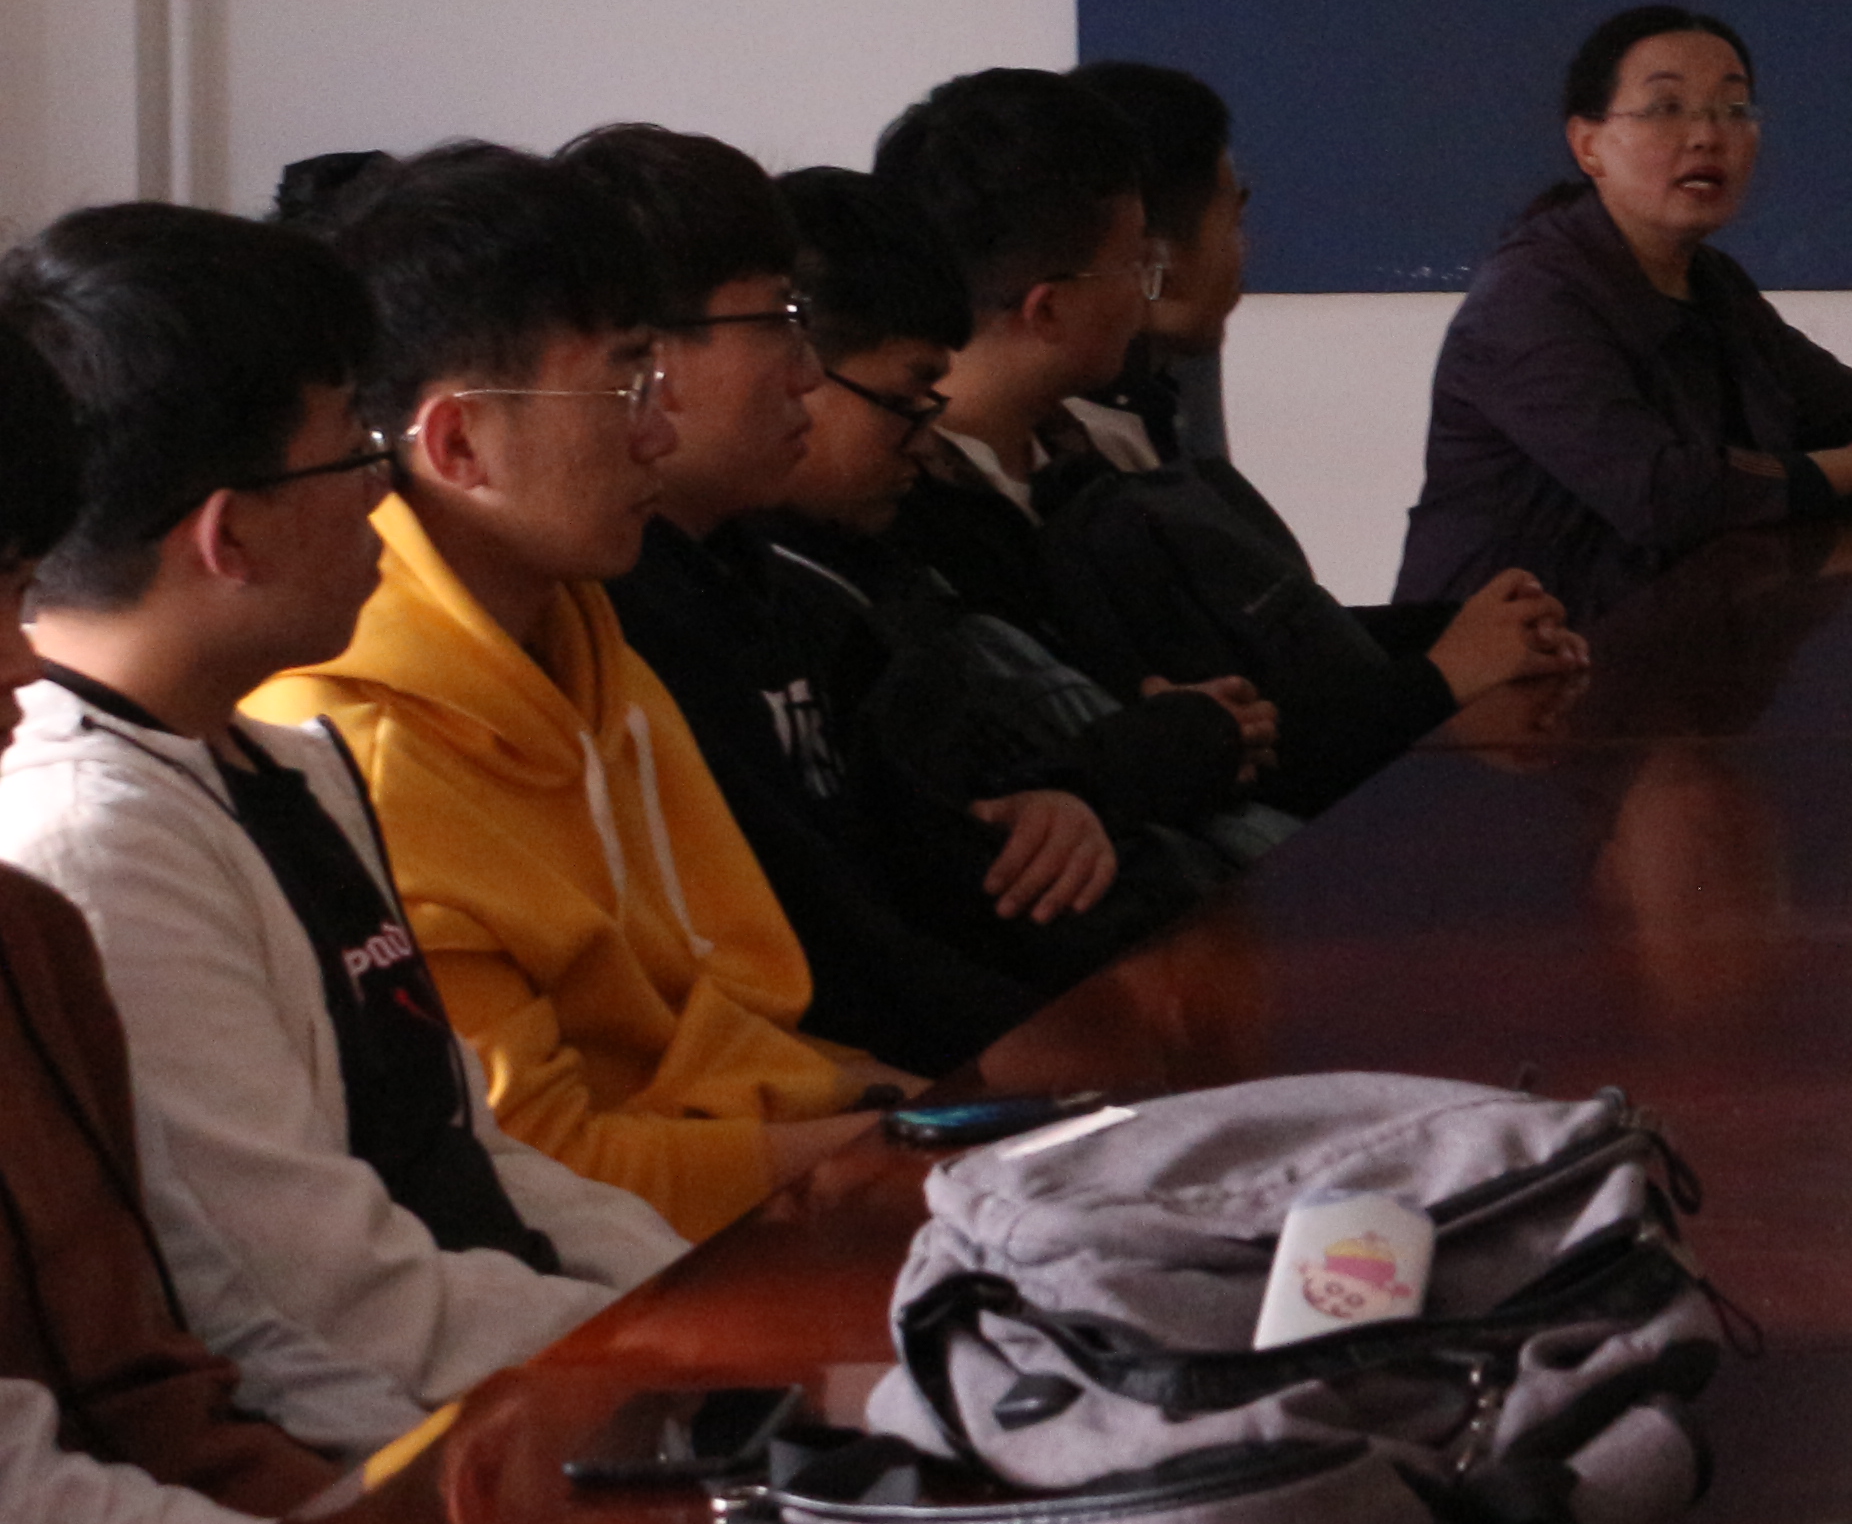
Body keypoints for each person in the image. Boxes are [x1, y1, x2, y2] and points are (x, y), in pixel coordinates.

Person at [0, 206, 678, 1455]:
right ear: (230, 535)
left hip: (520, 1371)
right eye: (355, 453)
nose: (385, 490)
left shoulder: (279, 761)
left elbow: (467, 1155)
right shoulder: (96, 844)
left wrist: (691, 1303)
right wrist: (668, 1363)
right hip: (399, 1439)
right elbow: (322, 1307)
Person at [251, 143, 904, 1240]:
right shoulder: (357, 754)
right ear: (459, 442)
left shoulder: (584, 643)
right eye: (625, 384)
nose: (658, 431)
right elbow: (540, 1166)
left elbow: (740, 1020)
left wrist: (919, 1112)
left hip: (743, 1199)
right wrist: (902, 1148)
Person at [559, 124, 1105, 1073]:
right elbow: (824, 952)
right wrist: (1068, 1056)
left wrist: (1042, 810)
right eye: (779, 322)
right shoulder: (614, 623)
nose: (805, 373)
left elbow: (888, 859)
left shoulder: (772, 588)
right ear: (652, 357)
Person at [880, 70, 1572, 811]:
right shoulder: (916, 520)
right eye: (1134, 265)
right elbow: (1254, 748)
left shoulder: (1080, 456)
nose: (1148, 290)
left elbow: (1259, 659)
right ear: (1047, 310)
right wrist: (1441, 673)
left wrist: (1457, 634)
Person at [0, 310, 364, 1524]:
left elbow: (184, 1360)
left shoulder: (31, 937)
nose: (22, 665)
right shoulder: (84, 834)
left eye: (18, 591)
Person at [753, 169, 1279, 880]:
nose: (923, 441)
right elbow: (929, 848)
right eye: (906, 401)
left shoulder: (891, 557)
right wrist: (1134, 758)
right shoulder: (787, 596)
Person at [1397, 6, 1852, 625]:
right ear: (1588, 145)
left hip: (1666, 642)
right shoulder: (1530, 299)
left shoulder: (1714, 285)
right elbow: (1661, 494)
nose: (1707, 136)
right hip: (1506, 661)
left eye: (1734, 109)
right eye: (1666, 108)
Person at [1067, 60, 1246, 466]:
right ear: (1154, 261)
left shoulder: (1168, 383)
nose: (1246, 251)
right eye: (1236, 221)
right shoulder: (1083, 453)